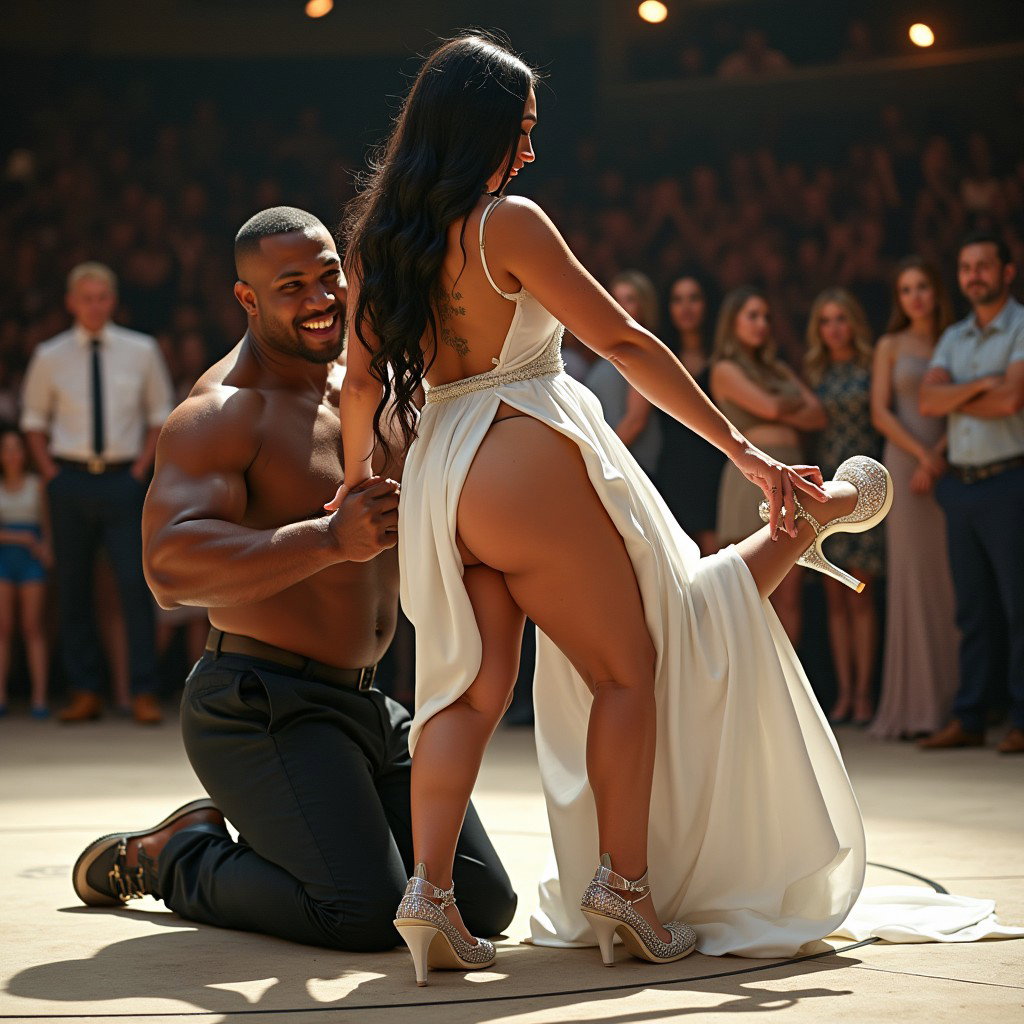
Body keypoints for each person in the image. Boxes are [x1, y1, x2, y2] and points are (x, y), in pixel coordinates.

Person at [331, 33, 890, 983]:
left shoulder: (381, 236)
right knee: (628, 671)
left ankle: (428, 894)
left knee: (467, 688)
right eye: (522, 131)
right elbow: (625, 342)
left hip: (439, 480)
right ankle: (623, 886)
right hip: (522, 453)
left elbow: (354, 387)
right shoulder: (504, 223)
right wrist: (744, 450)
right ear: (483, 131)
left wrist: (358, 490)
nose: (531, 151)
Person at [69, 207, 516, 951]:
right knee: (364, 912)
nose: (319, 299)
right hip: (259, 706)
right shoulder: (219, 412)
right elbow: (166, 570)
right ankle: (175, 856)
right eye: (291, 286)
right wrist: (327, 539)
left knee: (482, 902)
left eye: (328, 276)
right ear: (247, 300)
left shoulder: (371, 385)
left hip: (371, 705)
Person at [20, 261, 174, 725]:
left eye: (101, 297)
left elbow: (159, 415)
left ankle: (142, 691)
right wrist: (50, 473)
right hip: (70, 478)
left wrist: (140, 470)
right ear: (71, 302)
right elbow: (33, 422)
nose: (94, 305)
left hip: (124, 479)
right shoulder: (50, 355)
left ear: (112, 300)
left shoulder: (141, 350)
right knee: (73, 588)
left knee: (134, 584)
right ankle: (85, 690)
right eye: (85, 298)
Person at [919, 232, 1024, 754]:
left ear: (1008, 271)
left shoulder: (1022, 325)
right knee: (974, 609)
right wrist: (985, 384)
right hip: (962, 487)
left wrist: (957, 394)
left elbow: (1011, 403)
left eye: (983, 265)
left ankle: (1021, 719)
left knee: (1019, 606)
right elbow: (927, 400)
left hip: (1010, 479)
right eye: (965, 267)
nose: (973, 275)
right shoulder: (954, 337)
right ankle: (971, 716)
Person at [869, 258, 958, 741]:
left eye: (923, 286)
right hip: (905, 465)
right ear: (899, 300)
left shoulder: (955, 339)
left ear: (936, 290)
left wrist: (938, 455)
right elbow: (880, 413)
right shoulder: (889, 344)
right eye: (906, 290)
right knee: (911, 579)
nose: (915, 296)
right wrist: (922, 455)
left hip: (948, 464)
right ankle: (915, 706)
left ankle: (955, 705)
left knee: (951, 580)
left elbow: (961, 406)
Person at [710, 286, 827, 643]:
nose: (761, 324)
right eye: (752, 316)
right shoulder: (725, 369)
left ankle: (788, 687)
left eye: (766, 317)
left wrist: (779, 402)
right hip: (752, 479)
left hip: (793, 473)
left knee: (791, 589)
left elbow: (819, 414)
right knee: (754, 591)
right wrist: (788, 404)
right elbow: (772, 409)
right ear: (733, 323)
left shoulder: (777, 368)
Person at [804, 288, 883, 725]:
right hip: (827, 485)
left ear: (854, 323)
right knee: (835, 594)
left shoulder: (872, 366)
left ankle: (866, 694)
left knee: (861, 594)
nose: (834, 328)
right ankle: (845, 694)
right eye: (825, 320)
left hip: (867, 480)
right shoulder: (813, 373)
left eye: (841, 318)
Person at [654, 275, 724, 557]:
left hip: (716, 465)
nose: (686, 307)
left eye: (693, 298)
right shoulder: (659, 356)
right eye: (677, 299)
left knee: (717, 557)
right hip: (674, 467)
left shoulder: (722, 357)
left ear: (707, 304)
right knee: (679, 560)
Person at [584, 271, 662, 475]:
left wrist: (600, 459)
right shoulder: (608, 350)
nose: (620, 306)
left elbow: (635, 421)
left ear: (644, 307)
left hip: (629, 464)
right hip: (612, 461)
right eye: (615, 299)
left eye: (630, 300)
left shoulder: (643, 353)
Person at [0, 428, 51, 718]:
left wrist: (45, 548)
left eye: (17, 448)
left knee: (33, 627)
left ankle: (39, 698)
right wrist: (21, 538)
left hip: (31, 561)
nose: (12, 454)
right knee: (4, 628)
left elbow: (46, 525)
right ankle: (2, 696)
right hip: (5, 558)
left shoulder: (36, 485)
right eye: (6, 448)